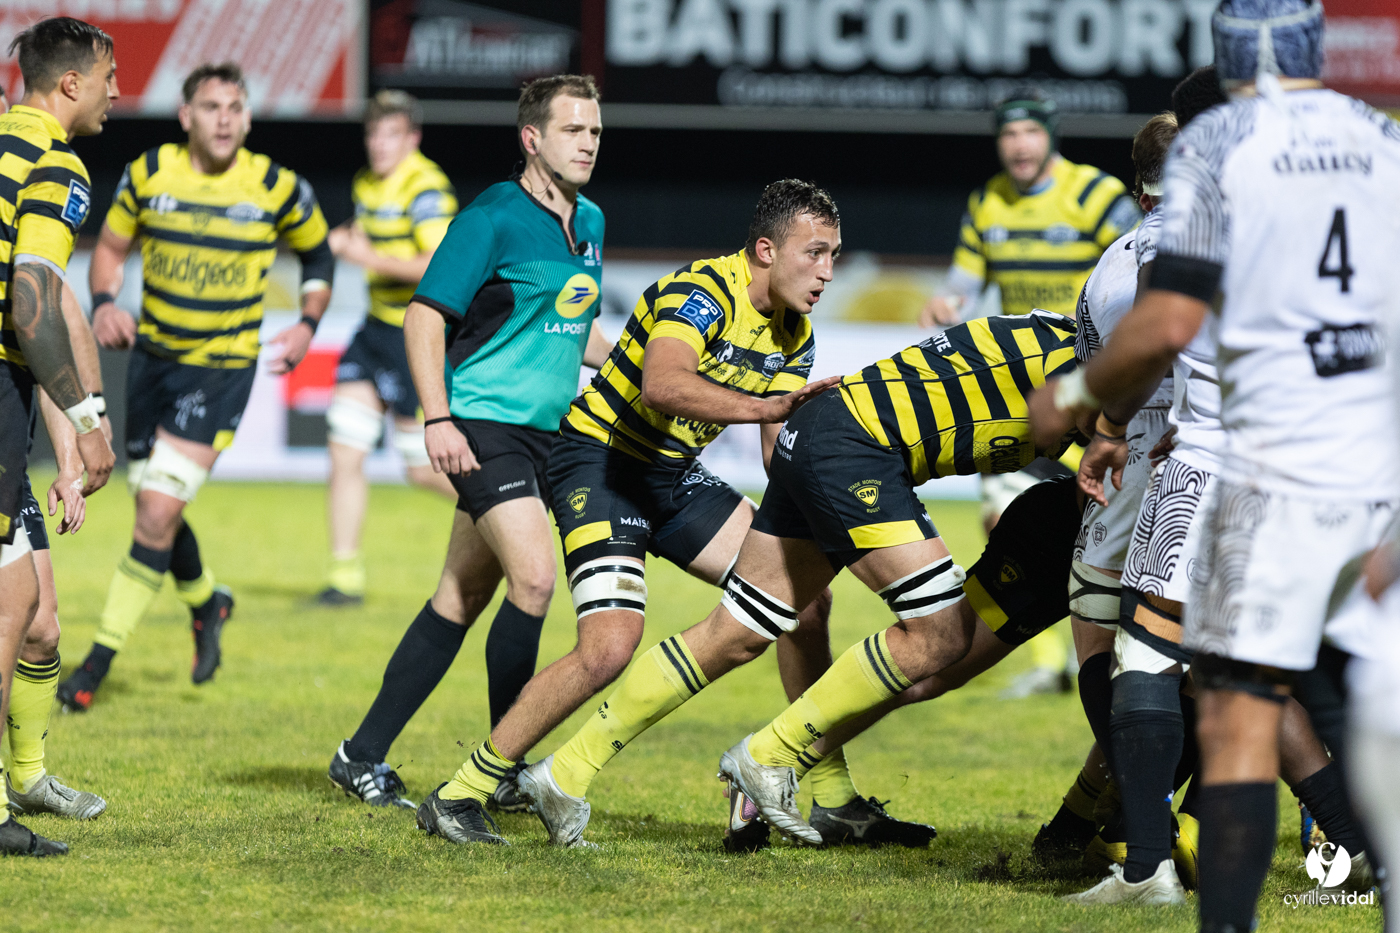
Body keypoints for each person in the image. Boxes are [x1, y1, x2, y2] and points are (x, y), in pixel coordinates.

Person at [1030, 1, 1400, 927]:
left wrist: (1085, 407)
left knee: (1157, 657)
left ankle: (1151, 867)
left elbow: (1165, 325)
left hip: (1231, 457)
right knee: (1331, 665)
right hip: (1355, 457)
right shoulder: (1377, 143)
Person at [412, 179, 889, 848]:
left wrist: (838, 520)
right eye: (814, 253)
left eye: (835, 255)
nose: (827, 272)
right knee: (608, 646)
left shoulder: (795, 333)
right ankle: (462, 790)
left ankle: (828, 793)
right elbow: (661, 384)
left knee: (804, 600)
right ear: (764, 249)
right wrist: (763, 408)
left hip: (670, 475)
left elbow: (781, 457)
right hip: (599, 462)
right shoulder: (697, 293)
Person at [494, 310, 1082, 848]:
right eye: (817, 251)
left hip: (826, 434)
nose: (826, 270)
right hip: (857, 448)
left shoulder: (1067, 332)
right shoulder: (1094, 361)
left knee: (741, 628)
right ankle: (767, 756)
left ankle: (565, 771)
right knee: (941, 633)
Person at [327, 74, 613, 813]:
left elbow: (572, 328)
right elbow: (423, 317)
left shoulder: (591, 223)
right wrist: (437, 418)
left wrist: (638, 366)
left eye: (595, 131)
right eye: (573, 130)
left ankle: (359, 754)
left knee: (460, 594)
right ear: (532, 139)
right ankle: (503, 765)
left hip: (548, 433)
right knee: (536, 581)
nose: (588, 142)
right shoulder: (490, 216)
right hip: (484, 424)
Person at [62, 61, 333, 710]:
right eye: (211, 107)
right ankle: (208, 601)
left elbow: (319, 255)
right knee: (153, 503)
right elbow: (110, 247)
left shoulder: (275, 185)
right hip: (152, 362)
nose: (225, 120)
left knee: (155, 511)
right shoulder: (150, 173)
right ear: (185, 115)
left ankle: (92, 667)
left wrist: (307, 323)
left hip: (220, 370)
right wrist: (103, 300)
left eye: (235, 108)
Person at [921, 90, 1141, 697]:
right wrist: (949, 300)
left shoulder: (1096, 194)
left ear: (1050, 137)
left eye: (1029, 134)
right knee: (1000, 516)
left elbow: (1140, 257)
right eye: (1008, 135)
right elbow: (966, 277)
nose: (1019, 145)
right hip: (1018, 386)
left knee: (1105, 508)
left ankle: (1129, 642)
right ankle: (1048, 662)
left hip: (1084, 378)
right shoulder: (987, 201)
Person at [0, 15, 119, 855]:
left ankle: (24, 781)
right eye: (110, 75)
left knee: (26, 609)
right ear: (70, 83)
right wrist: (88, 426)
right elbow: (34, 307)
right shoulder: (56, 163)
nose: (118, 90)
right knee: (11, 609)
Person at [317, 89, 459, 606]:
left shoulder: (426, 188)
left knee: (421, 469)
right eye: (373, 134)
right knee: (344, 448)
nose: (380, 145)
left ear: (412, 138)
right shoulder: (366, 183)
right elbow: (360, 235)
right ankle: (344, 577)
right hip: (373, 331)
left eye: (391, 134)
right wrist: (331, 243)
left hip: (418, 335)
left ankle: (511, 505)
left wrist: (367, 257)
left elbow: (438, 263)